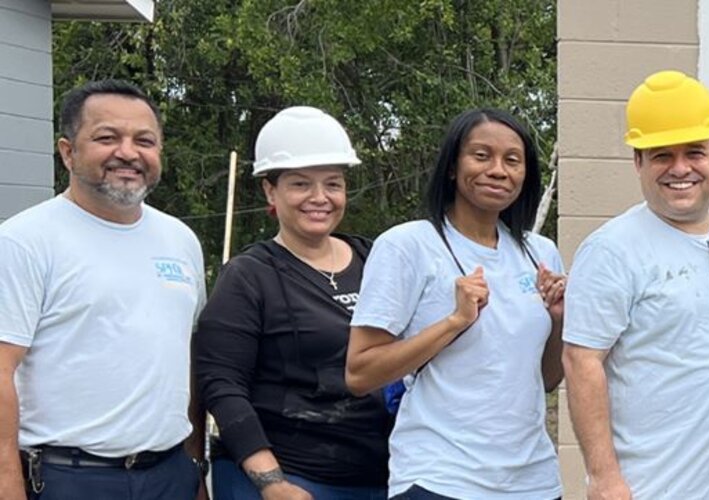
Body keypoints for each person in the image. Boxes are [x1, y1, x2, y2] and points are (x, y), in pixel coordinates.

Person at [563, 70, 709, 500]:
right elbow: (580, 361)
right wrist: (604, 478)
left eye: (695, 152)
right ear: (638, 163)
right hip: (651, 490)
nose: (680, 168)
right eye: (661, 154)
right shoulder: (612, 250)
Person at [344, 109, 566, 500]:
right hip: (441, 477)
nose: (498, 170)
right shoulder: (408, 245)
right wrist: (454, 321)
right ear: (451, 166)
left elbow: (545, 379)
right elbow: (360, 374)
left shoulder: (540, 253)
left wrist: (558, 319)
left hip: (532, 481)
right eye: (481, 156)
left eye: (512, 160)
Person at [0, 80, 206, 500]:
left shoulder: (180, 240)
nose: (128, 153)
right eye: (107, 137)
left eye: (144, 140)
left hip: (169, 475)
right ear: (67, 151)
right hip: (67, 479)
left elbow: (186, 357)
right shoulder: (23, 241)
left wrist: (192, 467)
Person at [195, 106, 393, 500]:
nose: (320, 198)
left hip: (376, 473)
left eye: (333, 184)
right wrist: (271, 481)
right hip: (289, 480)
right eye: (301, 184)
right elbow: (222, 384)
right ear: (271, 191)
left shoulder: (377, 259)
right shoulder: (249, 276)